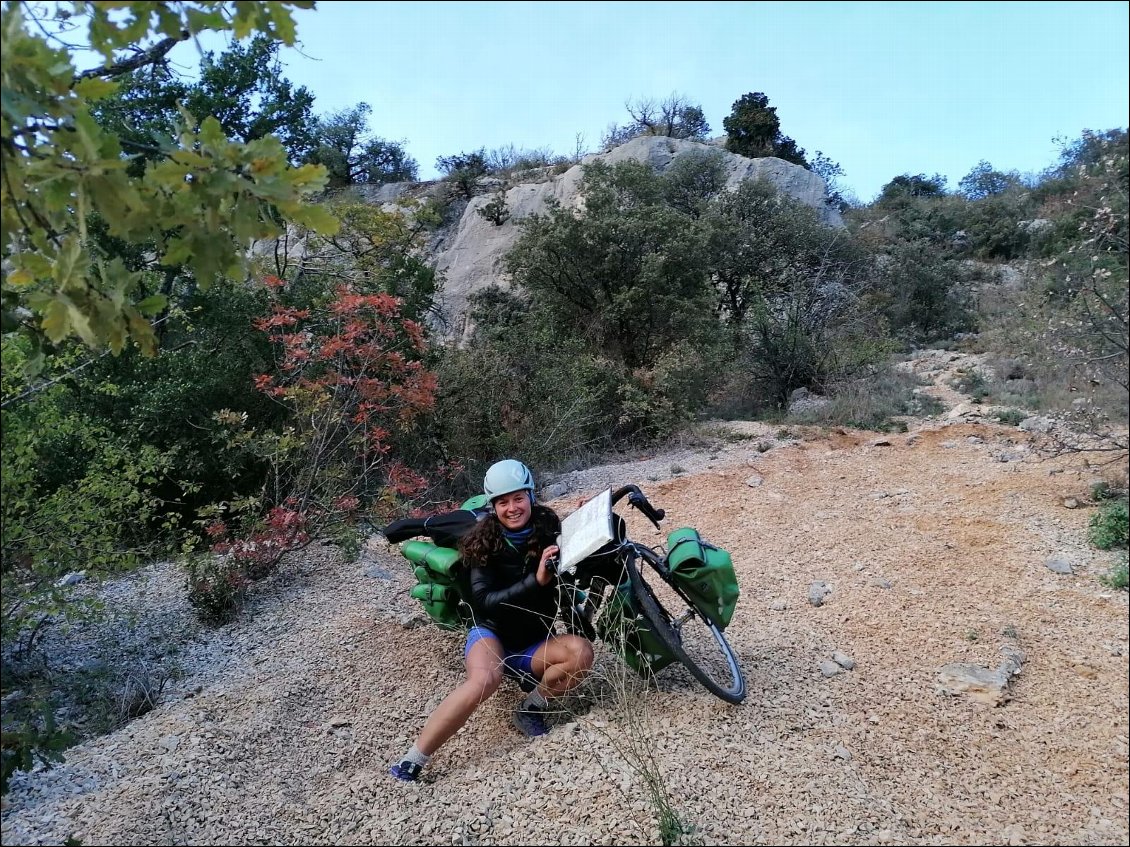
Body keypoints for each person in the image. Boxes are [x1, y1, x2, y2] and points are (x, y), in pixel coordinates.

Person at [390, 459, 595, 782]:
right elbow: (485, 602)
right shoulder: (482, 540)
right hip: (492, 635)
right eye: (502, 502)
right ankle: (413, 759)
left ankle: (531, 708)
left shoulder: (547, 524)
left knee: (581, 653)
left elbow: (569, 548)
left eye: (518, 498)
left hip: (534, 642)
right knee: (484, 681)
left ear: (530, 495)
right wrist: (536, 581)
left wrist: (583, 520)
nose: (512, 508)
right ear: (493, 505)